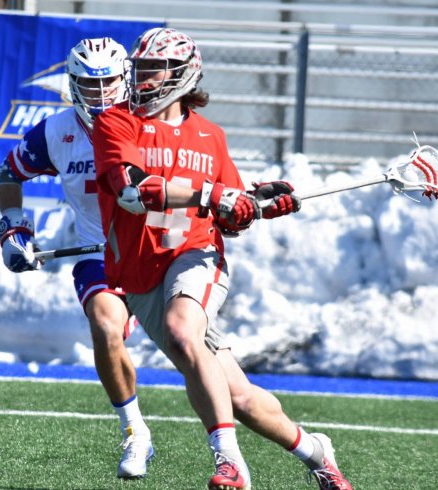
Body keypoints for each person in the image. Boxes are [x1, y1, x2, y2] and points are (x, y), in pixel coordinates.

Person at [92, 27, 353, 490]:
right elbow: (132, 190)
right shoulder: (116, 122)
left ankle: (229, 462)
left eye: (153, 70)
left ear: (182, 74)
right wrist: (217, 195)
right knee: (242, 399)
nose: (142, 79)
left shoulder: (210, 136)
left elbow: (232, 213)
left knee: (181, 330)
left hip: (196, 254)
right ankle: (318, 453)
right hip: (141, 272)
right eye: (140, 69)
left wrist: (261, 202)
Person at [0, 37, 155, 479]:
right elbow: (9, 172)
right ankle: (134, 431)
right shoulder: (57, 131)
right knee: (106, 328)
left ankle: (233, 444)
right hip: (98, 255)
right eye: (88, 83)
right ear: (72, 83)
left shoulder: (149, 124)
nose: (99, 94)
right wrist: (15, 229)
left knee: (195, 352)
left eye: (107, 83)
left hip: (156, 257)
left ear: (126, 81)